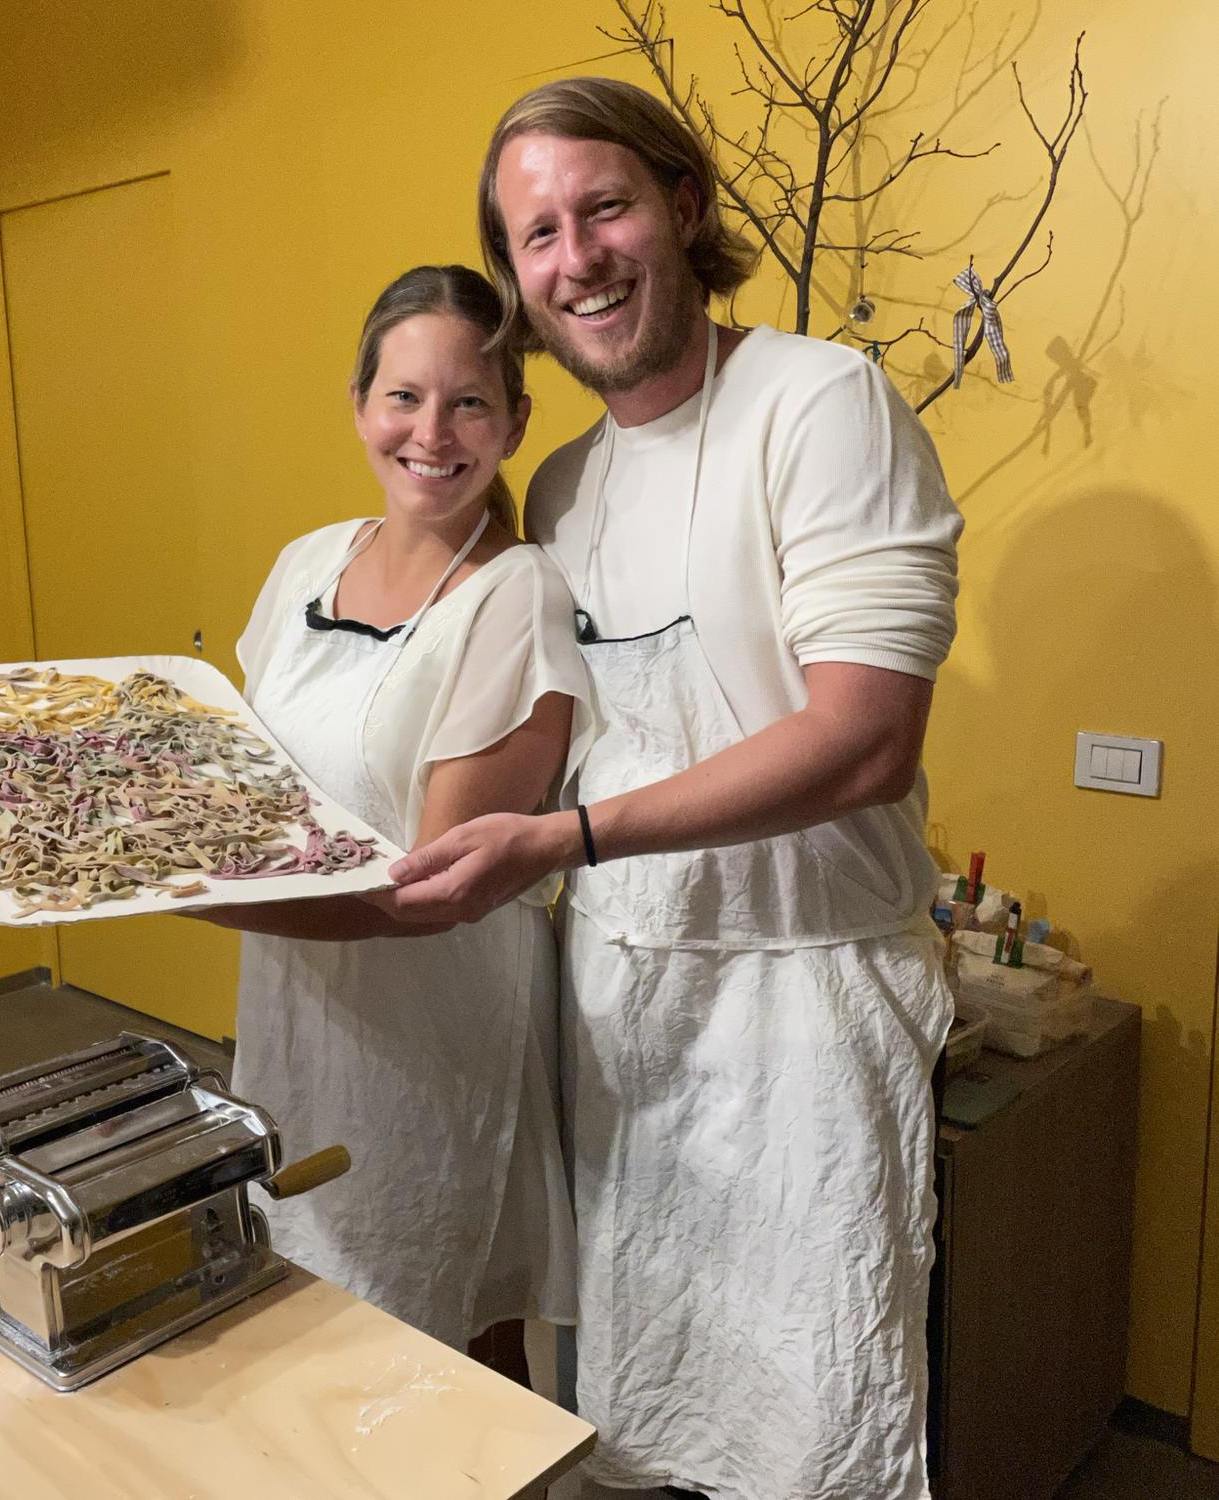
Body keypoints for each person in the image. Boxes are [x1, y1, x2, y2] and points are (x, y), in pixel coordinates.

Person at [384, 80, 963, 1497]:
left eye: (605, 208)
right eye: (536, 235)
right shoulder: (568, 485)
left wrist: (565, 838)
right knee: (638, 1413)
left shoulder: (821, 403)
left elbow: (864, 738)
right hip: (626, 1020)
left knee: (817, 1425)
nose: (574, 258)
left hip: (802, 1022)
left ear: (685, 207)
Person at [188, 264, 590, 1373]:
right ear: (361, 405)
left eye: (469, 401)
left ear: (514, 419)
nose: (433, 432)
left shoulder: (514, 596)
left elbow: (426, 895)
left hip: (438, 1034)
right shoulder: (306, 563)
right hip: (297, 1012)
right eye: (403, 397)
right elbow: (242, 785)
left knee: (445, 1332)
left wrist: (179, 892)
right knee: (308, 1302)